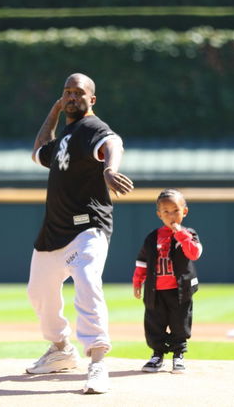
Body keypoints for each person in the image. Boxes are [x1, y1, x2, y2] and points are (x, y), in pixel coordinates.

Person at [26, 73, 134, 394]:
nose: (73, 96)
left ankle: (98, 361)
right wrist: (54, 111)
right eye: (67, 92)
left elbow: (113, 141)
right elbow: (38, 152)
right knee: (38, 293)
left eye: (79, 92)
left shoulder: (91, 128)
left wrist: (110, 169)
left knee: (87, 282)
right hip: (53, 231)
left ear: (92, 99)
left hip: (88, 226)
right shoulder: (65, 137)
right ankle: (61, 349)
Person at [132, 188, 203, 374]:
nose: (171, 215)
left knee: (180, 322)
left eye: (175, 211)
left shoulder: (189, 233)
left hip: (179, 290)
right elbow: (142, 261)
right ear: (159, 214)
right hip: (156, 291)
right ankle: (157, 354)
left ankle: (178, 355)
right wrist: (138, 281)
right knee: (155, 322)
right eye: (166, 212)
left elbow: (194, 253)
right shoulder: (152, 237)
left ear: (184, 211)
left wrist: (180, 233)